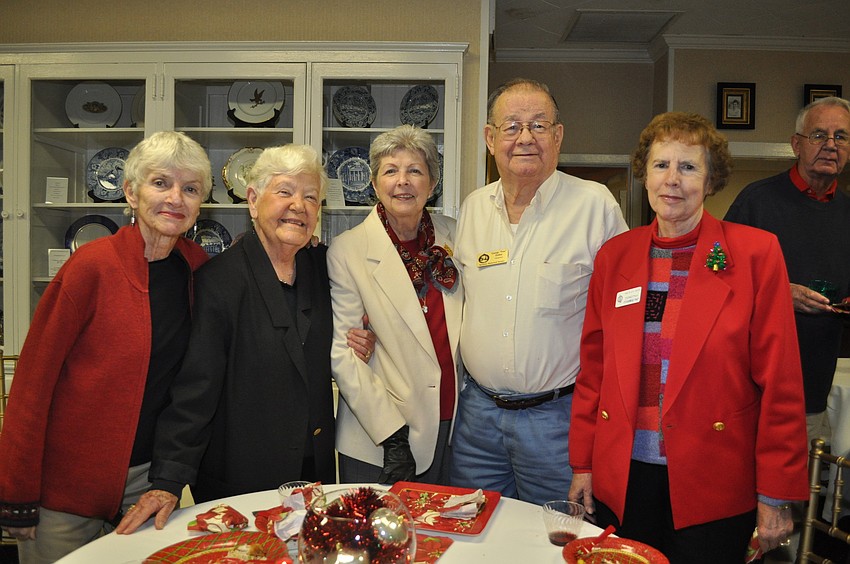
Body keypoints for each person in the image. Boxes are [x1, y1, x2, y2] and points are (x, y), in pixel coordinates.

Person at [568, 111, 809, 562]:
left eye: (689, 167)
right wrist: (583, 464)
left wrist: (776, 492)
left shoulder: (756, 254)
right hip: (625, 478)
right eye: (661, 165)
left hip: (712, 482)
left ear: (711, 179)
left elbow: (782, 385)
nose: (672, 180)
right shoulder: (614, 256)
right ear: (644, 174)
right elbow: (594, 369)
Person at [115, 144, 374, 534]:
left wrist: (365, 340)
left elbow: (354, 330)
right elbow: (194, 391)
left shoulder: (324, 269)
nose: (299, 206)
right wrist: (168, 481)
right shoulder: (217, 282)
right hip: (240, 483)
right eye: (285, 192)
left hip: (314, 473)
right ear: (253, 200)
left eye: (310, 197)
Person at [0, 131, 213, 563]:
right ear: (131, 193)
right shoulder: (90, 266)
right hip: (64, 492)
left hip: (146, 487)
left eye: (190, 189)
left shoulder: (198, 269)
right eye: (160, 183)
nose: (175, 198)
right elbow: (32, 384)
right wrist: (16, 494)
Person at [449, 78, 628, 504]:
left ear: (558, 136)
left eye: (539, 125)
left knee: (554, 538)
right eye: (511, 126)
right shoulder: (473, 208)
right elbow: (450, 300)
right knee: (476, 538)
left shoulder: (595, 205)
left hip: (556, 421)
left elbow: (623, 314)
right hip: (477, 417)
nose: (525, 138)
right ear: (490, 139)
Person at [328, 124, 461, 485]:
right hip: (380, 437)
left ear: (432, 185)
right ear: (374, 184)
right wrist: (392, 435)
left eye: (415, 171)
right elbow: (344, 355)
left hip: (451, 427)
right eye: (390, 171)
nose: (402, 181)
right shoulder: (348, 250)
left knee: (444, 538)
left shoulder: (457, 237)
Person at [724, 96, 850, 449]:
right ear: (797, 144)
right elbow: (716, 278)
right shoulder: (757, 201)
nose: (830, 145)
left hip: (812, 386)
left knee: (795, 496)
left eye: (841, 136)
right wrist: (782, 292)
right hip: (751, 389)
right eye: (819, 135)